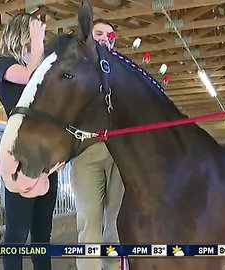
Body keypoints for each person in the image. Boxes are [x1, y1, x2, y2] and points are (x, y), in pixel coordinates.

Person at [0, 13, 57, 270]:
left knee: (42, 233)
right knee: (17, 235)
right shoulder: (3, 64)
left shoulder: (37, 65)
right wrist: (38, 42)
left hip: (45, 155)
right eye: (31, 37)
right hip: (20, 153)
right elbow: (33, 77)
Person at [70, 19, 126, 270]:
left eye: (108, 34)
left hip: (120, 154)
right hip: (87, 152)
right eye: (98, 33)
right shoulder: (75, 70)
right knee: (90, 220)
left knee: (115, 221)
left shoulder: (123, 71)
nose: (104, 38)